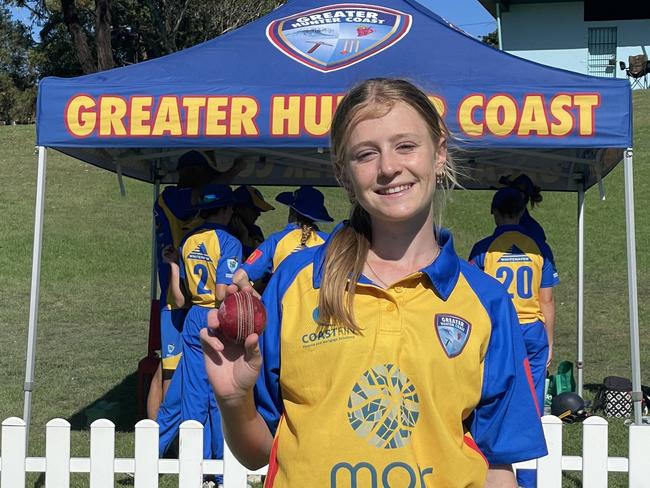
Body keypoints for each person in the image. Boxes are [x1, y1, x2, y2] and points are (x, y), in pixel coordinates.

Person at [200, 78, 547, 487]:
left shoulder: (485, 301)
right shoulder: (296, 282)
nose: (388, 167)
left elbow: (496, 465)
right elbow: (260, 452)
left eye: (406, 145)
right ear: (344, 173)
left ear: (439, 152)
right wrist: (234, 400)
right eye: (366, 154)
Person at [469, 187, 559, 488]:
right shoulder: (539, 249)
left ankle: (488, 469)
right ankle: (527, 478)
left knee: (490, 401)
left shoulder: (484, 248)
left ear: (494, 212)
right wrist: (549, 341)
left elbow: (472, 296)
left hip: (498, 330)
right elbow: (546, 300)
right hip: (532, 329)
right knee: (531, 405)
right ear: (522, 212)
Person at [148, 151, 245, 421]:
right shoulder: (173, 198)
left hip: (185, 298)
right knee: (170, 371)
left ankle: (162, 438)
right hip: (177, 298)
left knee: (175, 370)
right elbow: (204, 195)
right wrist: (236, 168)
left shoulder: (193, 222)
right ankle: (168, 443)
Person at [157, 183, 243, 466]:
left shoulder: (189, 240)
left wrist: (172, 264)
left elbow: (179, 299)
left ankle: (195, 461)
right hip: (218, 316)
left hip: (193, 315)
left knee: (191, 390)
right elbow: (221, 293)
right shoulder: (229, 242)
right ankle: (214, 466)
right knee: (217, 393)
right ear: (227, 209)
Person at [233, 185, 332, 286]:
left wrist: (262, 301)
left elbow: (239, 278)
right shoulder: (330, 242)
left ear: (292, 212)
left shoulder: (276, 240)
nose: (258, 214)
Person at [230, 185, 275, 259]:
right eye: (254, 210)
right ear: (238, 208)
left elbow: (262, 260)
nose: (258, 214)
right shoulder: (224, 234)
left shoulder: (256, 231)